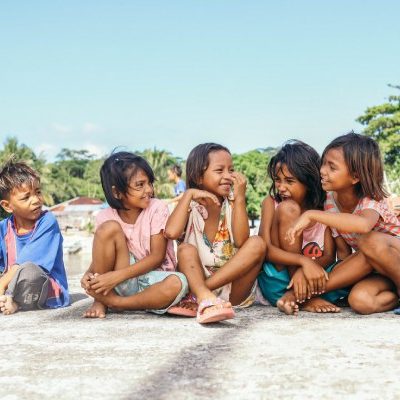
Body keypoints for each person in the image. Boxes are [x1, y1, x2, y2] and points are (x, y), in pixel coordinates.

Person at [287, 132, 400, 314]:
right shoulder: (330, 202)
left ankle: (299, 295)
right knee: (360, 301)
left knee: (369, 241)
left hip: (395, 257)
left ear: (355, 177)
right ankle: (396, 296)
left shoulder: (372, 200)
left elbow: (363, 225)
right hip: (380, 273)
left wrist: (312, 215)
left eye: (332, 167)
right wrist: (308, 269)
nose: (322, 170)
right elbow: (345, 256)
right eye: (323, 163)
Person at [165, 143, 265, 323]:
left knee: (257, 242)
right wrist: (187, 195)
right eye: (219, 171)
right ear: (198, 176)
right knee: (185, 249)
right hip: (195, 279)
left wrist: (240, 197)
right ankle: (204, 295)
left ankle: (203, 295)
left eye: (231, 170)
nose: (228, 176)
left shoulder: (233, 204)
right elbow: (171, 233)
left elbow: (242, 241)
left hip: (233, 290)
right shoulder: (189, 208)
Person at [81, 151, 188, 318]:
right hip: (118, 280)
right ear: (117, 193)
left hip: (153, 279)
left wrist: (115, 277)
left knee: (178, 282)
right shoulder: (105, 216)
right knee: (109, 228)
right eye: (140, 185)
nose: (149, 190)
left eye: (149, 183)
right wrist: (89, 274)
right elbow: (101, 258)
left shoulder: (156, 208)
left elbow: (157, 257)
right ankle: (101, 300)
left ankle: (116, 303)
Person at [257, 140, 349, 316]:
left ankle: (300, 296)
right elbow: (266, 250)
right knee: (289, 207)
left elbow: (329, 255)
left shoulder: (323, 209)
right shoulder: (272, 203)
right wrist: (302, 263)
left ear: (309, 181)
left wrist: (308, 271)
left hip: (314, 280)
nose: (281, 187)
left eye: (289, 181)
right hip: (281, 280)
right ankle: (304, 298)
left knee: (345, 268)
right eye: (277, 180)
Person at [0, 160, 69, 315]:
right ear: (7, 206)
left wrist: (2, 284)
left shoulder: (47, 221)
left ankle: (15, 302)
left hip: (43, 287)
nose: (36, 200)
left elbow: (23, 264)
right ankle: (6, 299)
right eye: (26, 197)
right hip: (10, 284)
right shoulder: (4, 228)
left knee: (29, 271)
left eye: (38, 192)